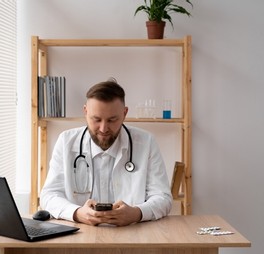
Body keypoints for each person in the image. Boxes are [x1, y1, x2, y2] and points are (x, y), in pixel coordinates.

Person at [40, 79, 172, 226]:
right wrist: (77, 213)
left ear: (124, 113)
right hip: (79, 235)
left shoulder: (146, 142)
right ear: (85, 112)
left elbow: (163, 198)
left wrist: (136, 213)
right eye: (96, 119)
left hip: (133, 234)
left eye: (112, 120)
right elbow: (49, 195)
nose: (103, 129)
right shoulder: (66, 141)